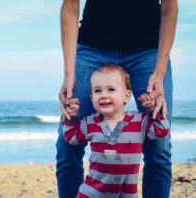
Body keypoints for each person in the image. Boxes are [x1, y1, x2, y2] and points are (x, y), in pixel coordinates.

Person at [57, 0, 178, 197]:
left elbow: (169, 7)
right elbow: (70, 7)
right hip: (90, 49)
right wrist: (69, 73)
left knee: (159, 148)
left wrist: (160, 71)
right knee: (66, 146)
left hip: (148, 51)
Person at [62, 64, 170, 198]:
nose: (103, 95)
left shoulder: (139, 121)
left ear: (127, 96)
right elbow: (71, 137)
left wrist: (154, 111)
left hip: (126, 194)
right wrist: (72, 118)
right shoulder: (89, 122)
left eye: (111, 89)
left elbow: (161, 131)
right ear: (91, 99)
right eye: (97, 91)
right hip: (91, 193)